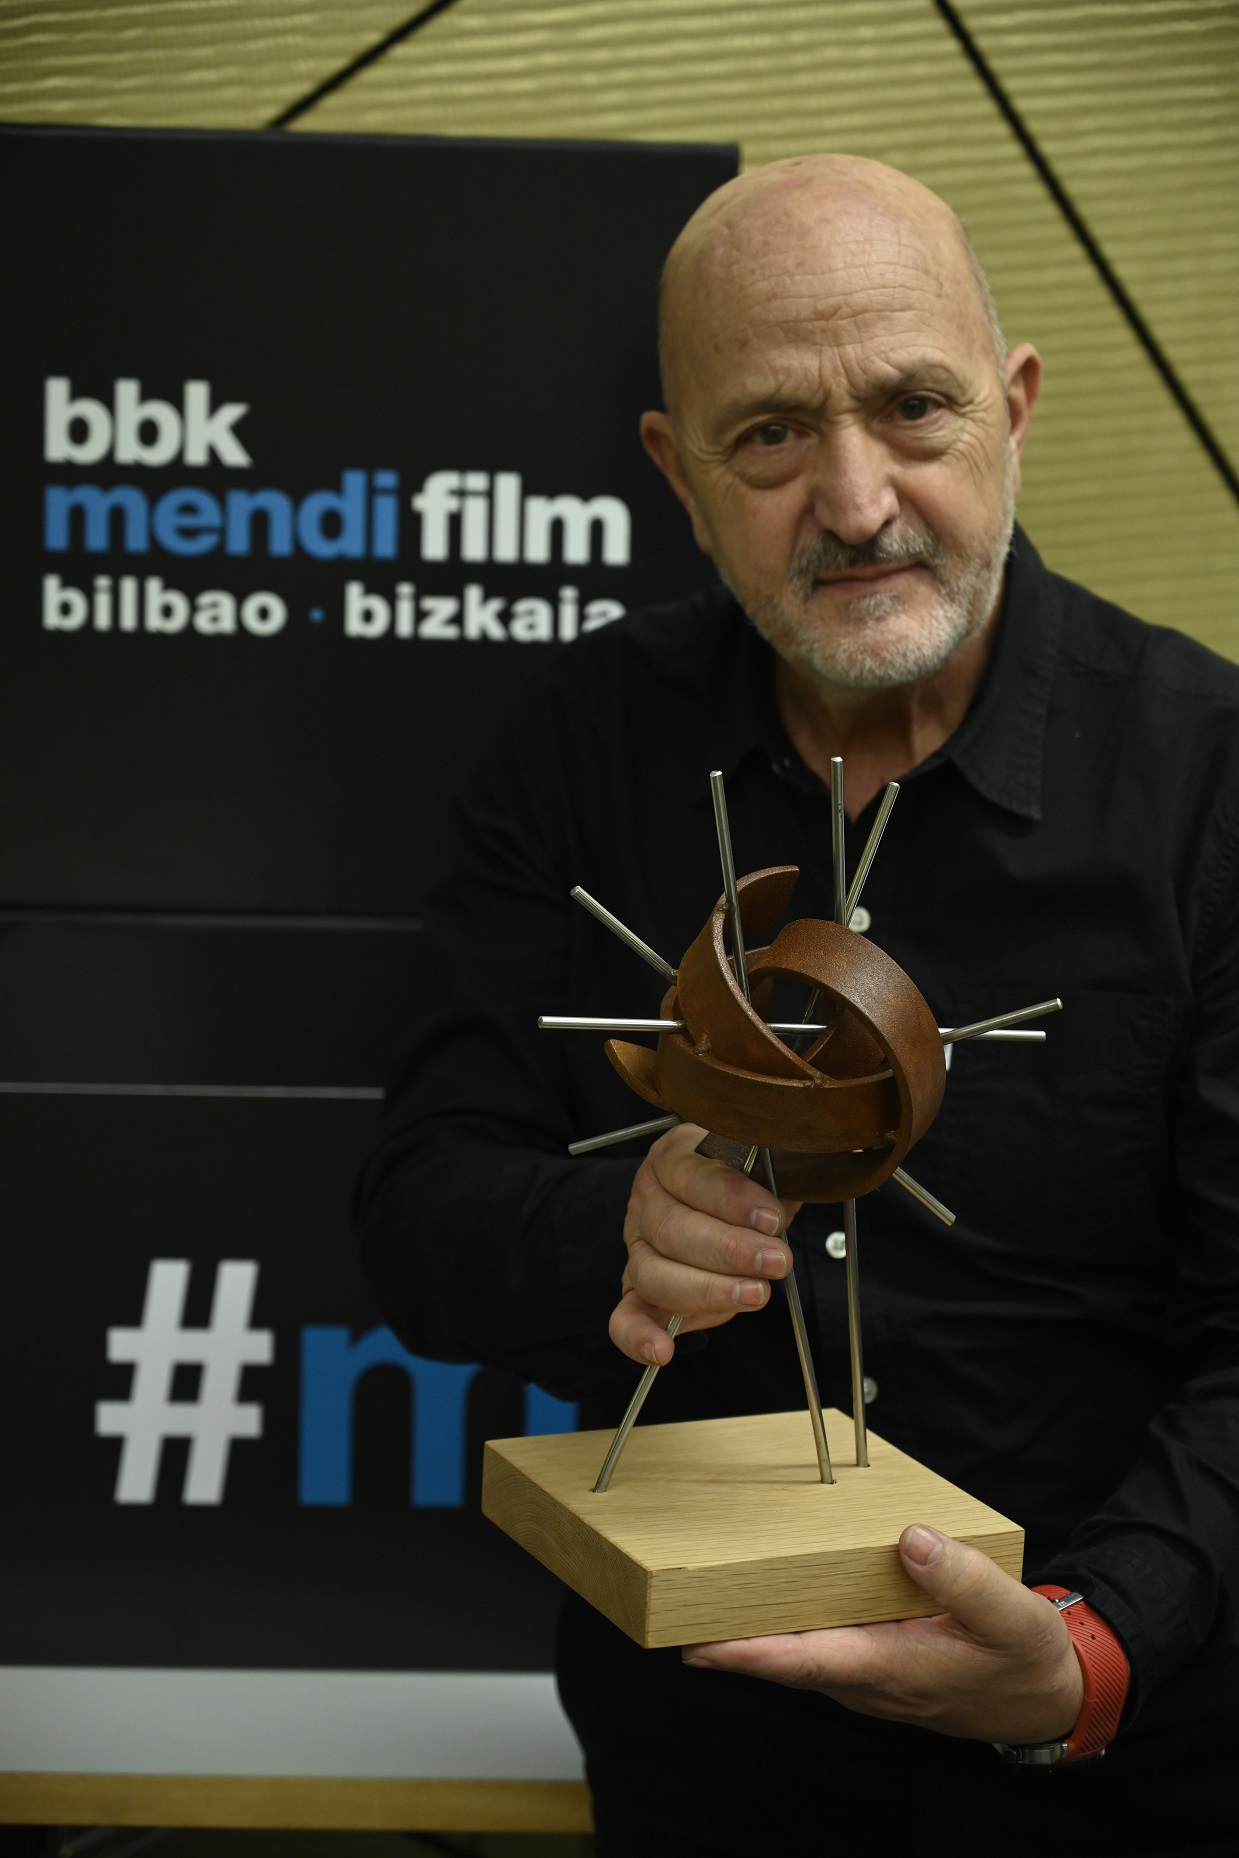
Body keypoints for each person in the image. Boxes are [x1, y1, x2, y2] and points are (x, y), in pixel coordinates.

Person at [356, 156, 1239, 1856]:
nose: (854, 498)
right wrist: (612, 1228)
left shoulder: (1210, 783)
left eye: (914, 407)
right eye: (769, 435)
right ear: (676, 474)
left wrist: (1090, 1644)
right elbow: (416, 1211)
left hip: (1134, 1764)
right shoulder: (575, 748)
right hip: (710, 1764)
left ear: (1014, 409)